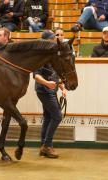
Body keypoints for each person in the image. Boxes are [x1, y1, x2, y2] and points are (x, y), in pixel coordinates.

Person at [34, 30, 67, 158]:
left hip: (51, 90)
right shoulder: (40, 56)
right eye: (53, 38)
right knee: (57, 116)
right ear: (46, 41)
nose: (55, 40)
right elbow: (36, 76)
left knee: (48, 117)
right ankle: (47, 146)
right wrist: (47, 83)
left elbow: (54, 73)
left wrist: (61, 86)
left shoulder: (52, 54)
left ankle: (44, 146)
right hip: (44, 91)